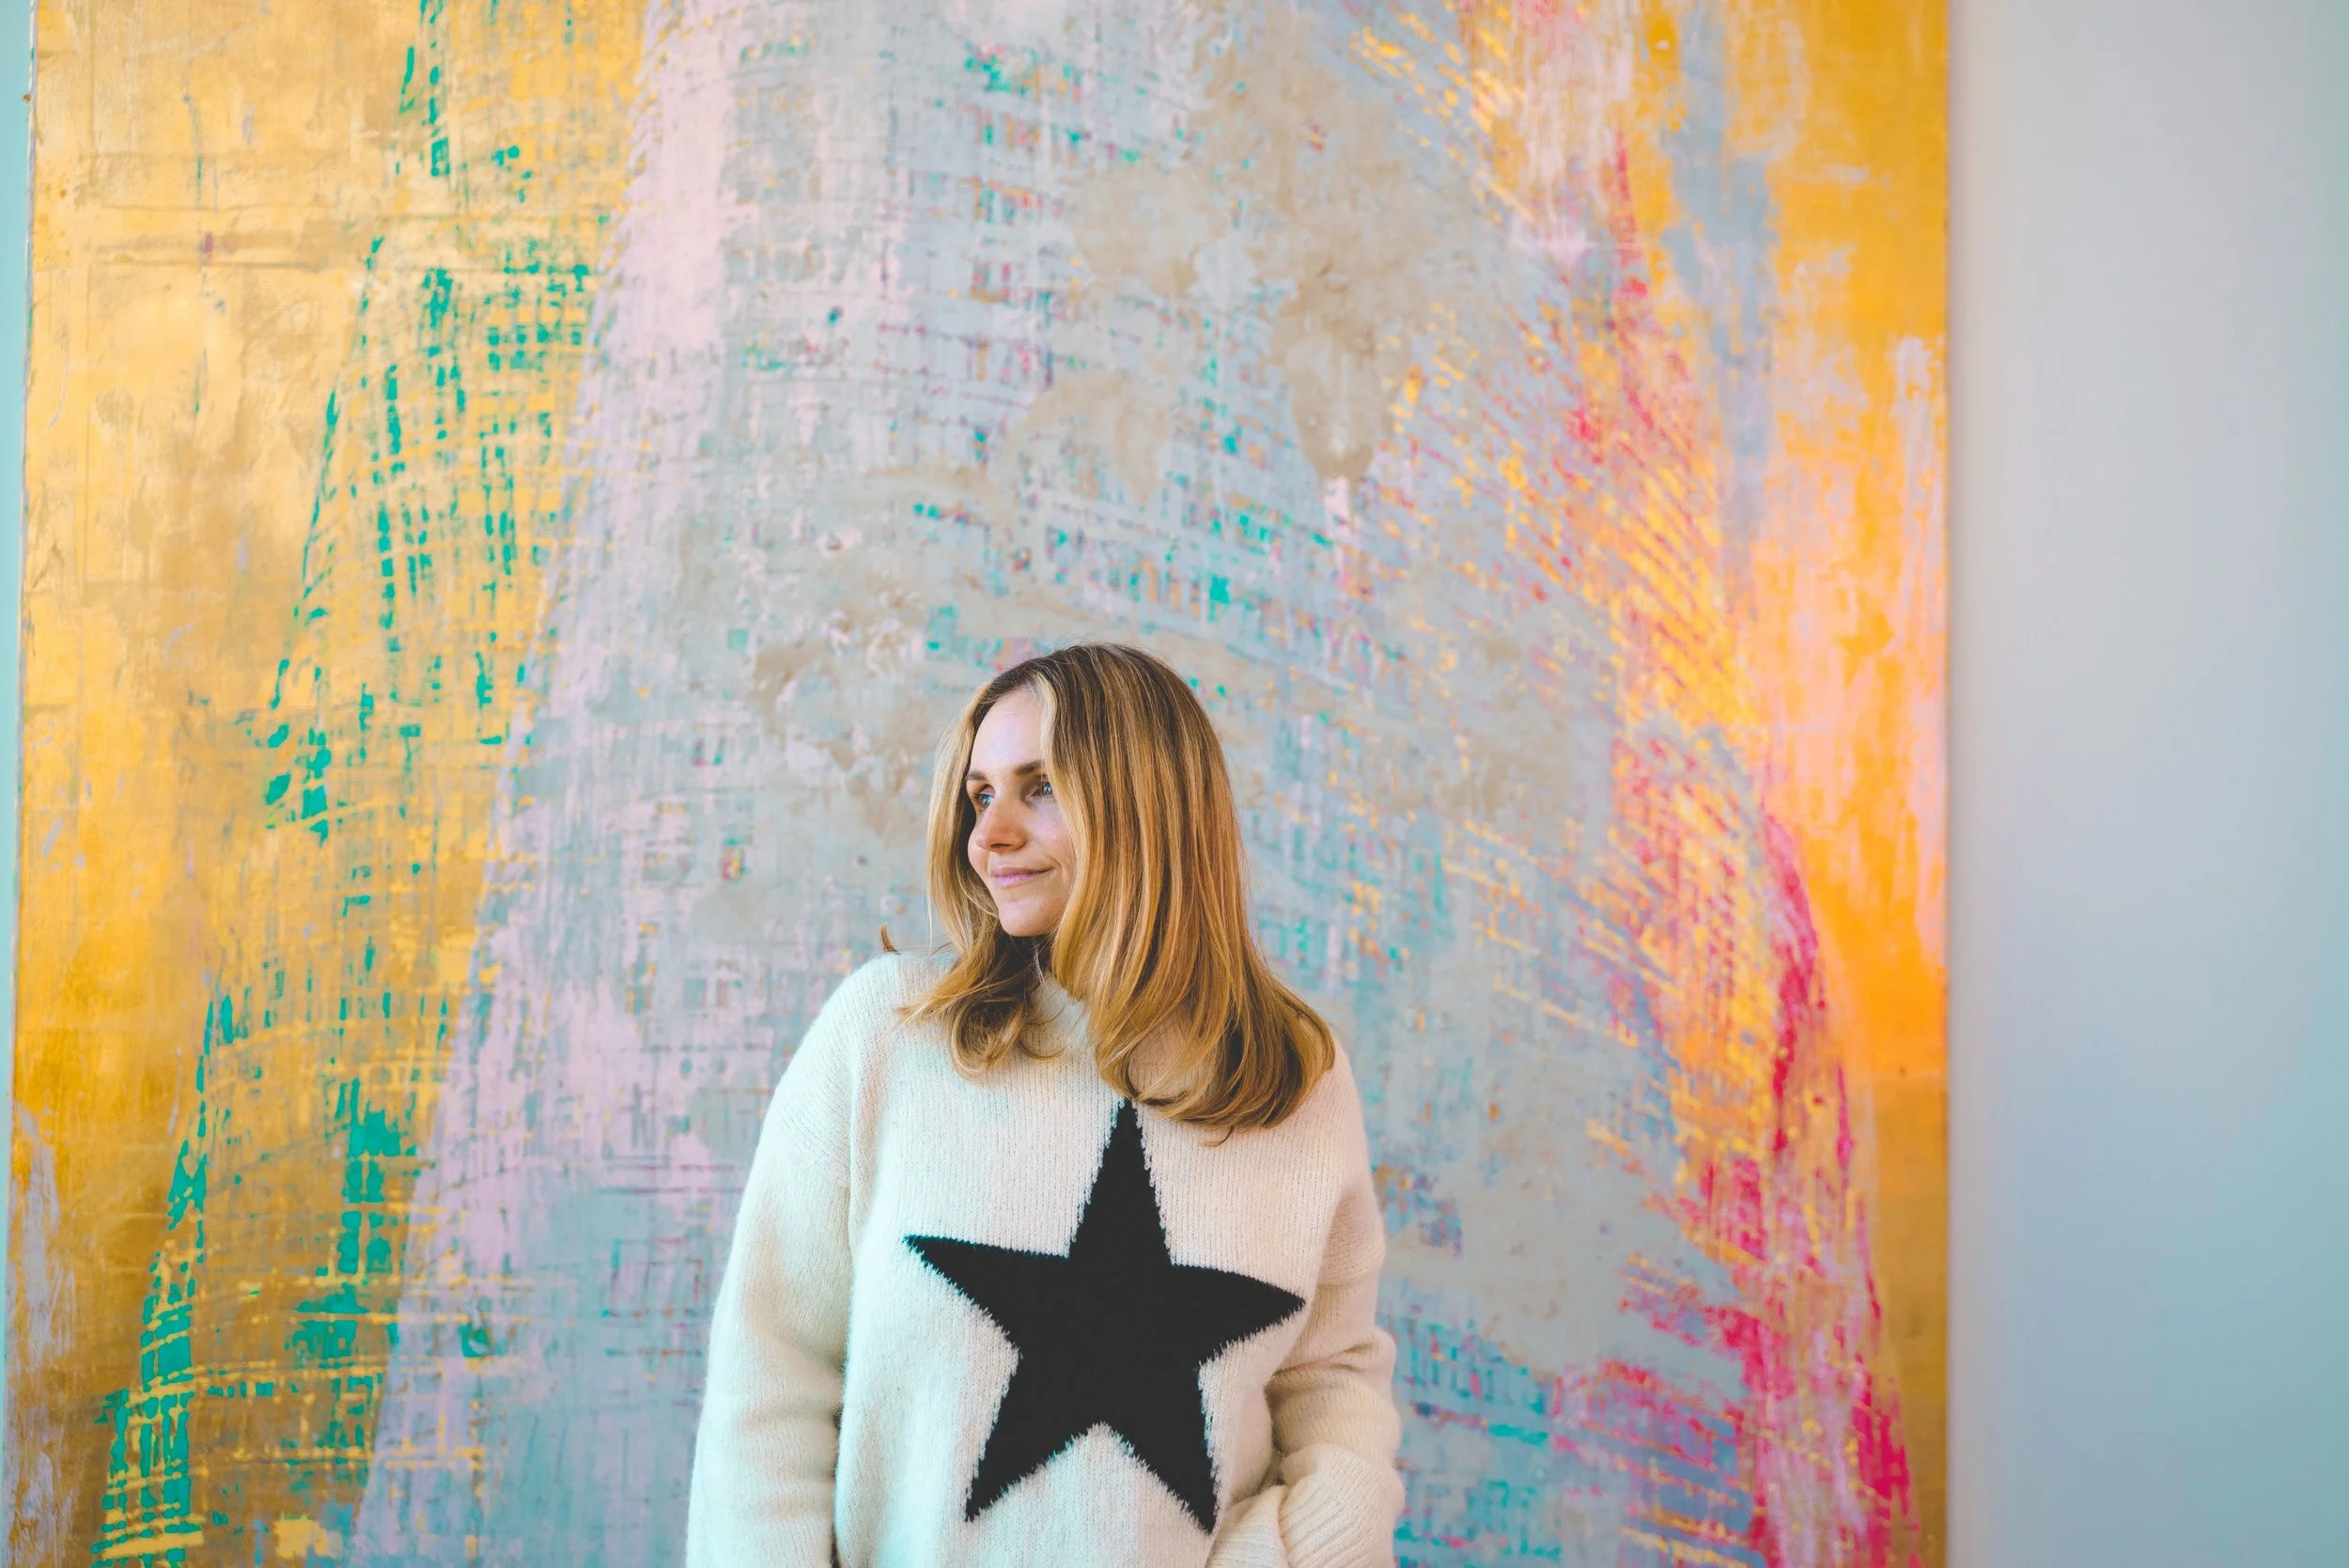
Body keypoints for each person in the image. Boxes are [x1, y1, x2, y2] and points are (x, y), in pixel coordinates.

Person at [685, 643, 1404, 1567]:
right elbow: (769, 1380)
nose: (988, 837)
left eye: (1040, 787)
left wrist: (1300, 1549)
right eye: (980, 794)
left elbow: (1333, 1384)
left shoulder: (1290, 1078)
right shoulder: (884, 1037)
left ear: (1148, 804)